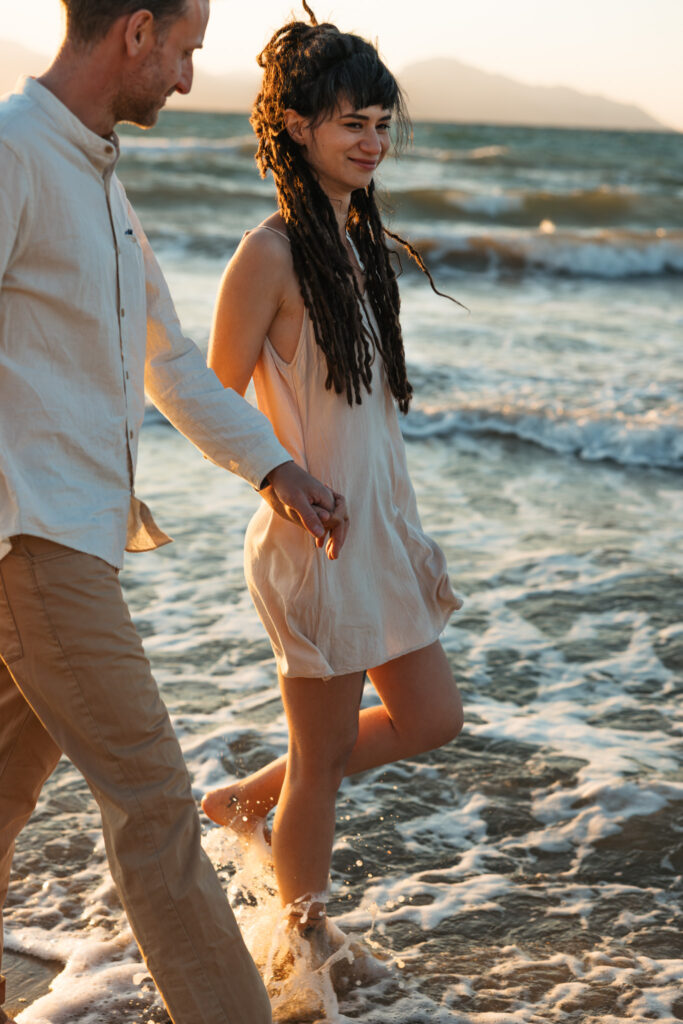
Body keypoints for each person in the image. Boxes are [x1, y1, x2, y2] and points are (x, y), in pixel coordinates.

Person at [0, 2, 349, 1023]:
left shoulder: (100, 181)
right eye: (188, 51)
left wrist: (275, 467)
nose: (191, 80)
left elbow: (171, 367)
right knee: (154, 800)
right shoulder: (16, 155)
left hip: (74, 536)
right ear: (136, 32)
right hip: (34, 537)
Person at [202, 5, 464, 952]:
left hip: (377, 532)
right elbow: (206, 393)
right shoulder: (267, 253)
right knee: (322, 763)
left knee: (432, 717)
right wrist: (277, 478)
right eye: (352, 122)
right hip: (315, 541)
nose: (372, 140)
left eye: (382, 123)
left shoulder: (355, 245)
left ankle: (238, 800)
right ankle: (302, 957)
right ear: (298, 127)